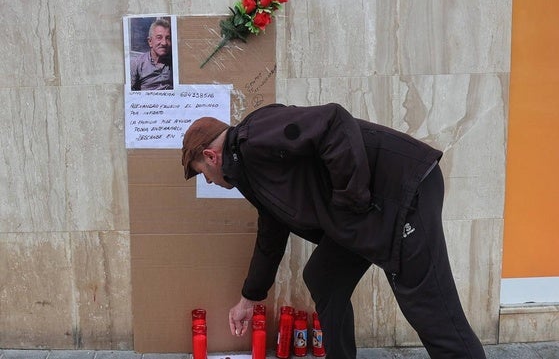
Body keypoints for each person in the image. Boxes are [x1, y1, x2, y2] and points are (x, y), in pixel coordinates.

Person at [180, 103, 486, 359]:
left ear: (210, 156)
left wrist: (351, 202)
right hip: (361, 213)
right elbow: (270, 235)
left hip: (402, 190)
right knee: (323, 277)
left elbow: (333, 121)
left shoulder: (255, 134)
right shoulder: (252, 172)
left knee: (431, 311)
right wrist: (249, 298)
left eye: (202, 173)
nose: (208, 180)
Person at [130, 18, 173, 90]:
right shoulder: (137, 63)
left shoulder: (175, 62)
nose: (164, 43)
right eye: (159, 38)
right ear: (150, 42)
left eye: (168, 38)